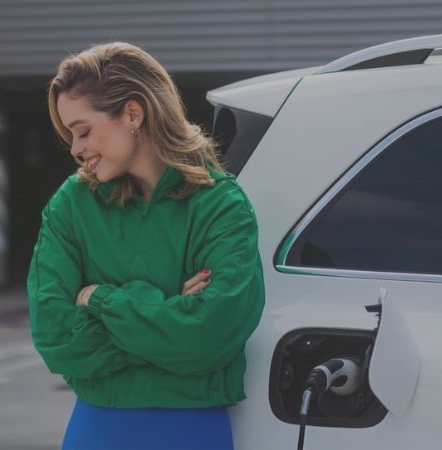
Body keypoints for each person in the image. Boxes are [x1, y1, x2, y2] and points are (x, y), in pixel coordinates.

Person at [28, 41, 266, 450]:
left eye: (83, 131)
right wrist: (170, 313)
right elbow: (56, 338)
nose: (75, 149)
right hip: (96, 430)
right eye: (70, 134)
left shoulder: (222, 206)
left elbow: (208, 337)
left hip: (189, 432)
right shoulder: (71, 204)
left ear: (133, 114)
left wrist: (101, 298)